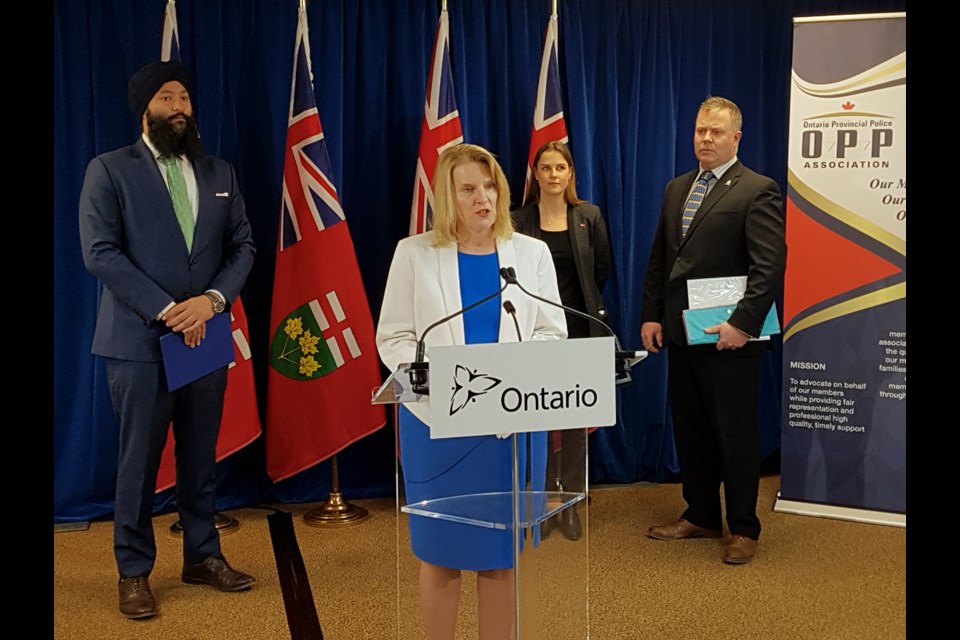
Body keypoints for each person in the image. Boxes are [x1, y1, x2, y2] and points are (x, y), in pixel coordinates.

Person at [78, 60, 257, 619]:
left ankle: (203, 555)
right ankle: (134, 570)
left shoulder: (219, 171)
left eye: (184, 97)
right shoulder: (109, 170)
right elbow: (100, 252)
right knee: (139, 460)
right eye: (166, 98)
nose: (179, 107)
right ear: (144, 110)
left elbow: (243, 247)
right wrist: (167, 309)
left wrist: (212, 302)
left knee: (200, 456)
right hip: (138, 343)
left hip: (206, 336)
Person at [376, 143, 566, 639]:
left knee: (499, 557)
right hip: (440, 426)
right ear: (447, 195)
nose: (483, 197)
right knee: (440, 556)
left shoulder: (532, 254)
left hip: (512, 426)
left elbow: (552, 331)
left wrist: (510, 375)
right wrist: (434, 379)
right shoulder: (413, 254)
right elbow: (393, 337)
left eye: (490, 186)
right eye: (468, 189)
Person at [639, 96, 786, 565]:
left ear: (735, 138)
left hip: (731, 339)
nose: (705, 138)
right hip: (683, 334)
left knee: (735, 433)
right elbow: (663, 259)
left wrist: (742, 325)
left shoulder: (757, 189)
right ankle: (701, 514)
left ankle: (744, 527)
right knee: (692, 429)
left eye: (716, 132)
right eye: (701, 130)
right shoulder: (676, 187)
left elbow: (769, 266)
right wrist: (651, 314)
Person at [511, 141, 611, 541]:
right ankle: (542, 500)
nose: (553, 175)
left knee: (572, 421)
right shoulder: (517, 221)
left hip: (581, 331)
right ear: (535, 174)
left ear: (570, 174)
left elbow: (600, 271)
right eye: (546, 168)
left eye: (561, 168)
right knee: (537, 418)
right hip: (534, 334)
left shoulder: (589, 216)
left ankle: (569, 502)